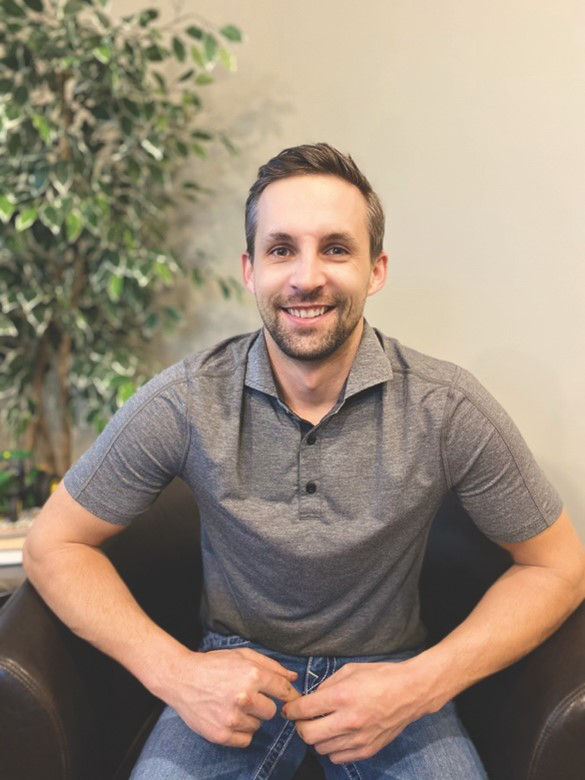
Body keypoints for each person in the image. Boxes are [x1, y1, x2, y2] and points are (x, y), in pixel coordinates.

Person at [23, 143, 585, 780]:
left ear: (376, 269)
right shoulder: (186, 400)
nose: (306, 276)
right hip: (233, 675)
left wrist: (423, 683)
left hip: (395, 677)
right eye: (282, 249)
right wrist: (176, 673)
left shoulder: (447, 406)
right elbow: (53, 545)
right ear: (250, 269)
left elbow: (558, 566)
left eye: (336, 249)